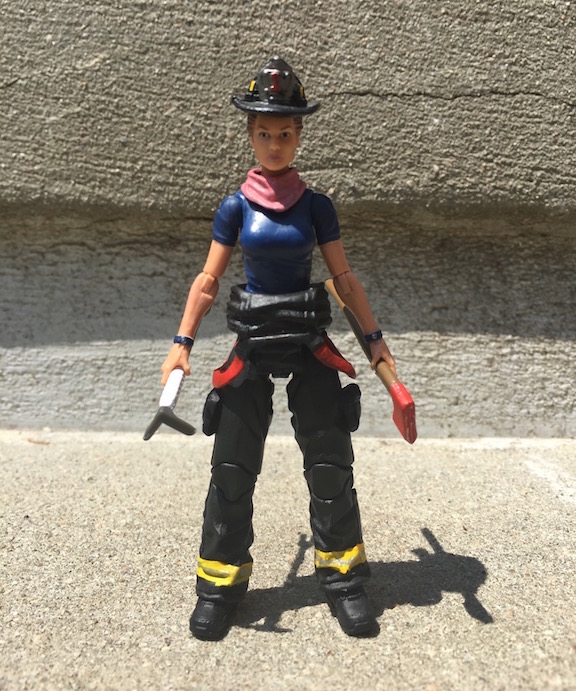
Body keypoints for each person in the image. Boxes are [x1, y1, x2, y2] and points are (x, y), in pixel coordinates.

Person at [161, 56, 396, 640]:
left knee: (330, 463)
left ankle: (344, 580)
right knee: (232, 466)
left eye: (285, 133)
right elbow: (208, 280)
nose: (274, 144)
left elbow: (344, 281)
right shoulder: (235, 207)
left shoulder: (316, 206)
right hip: (254, 340)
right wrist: (182, 342)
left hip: (308, 338)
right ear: (250, 134)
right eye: (264, 133)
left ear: (298, 136)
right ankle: (219, 586)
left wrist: (377, 347)